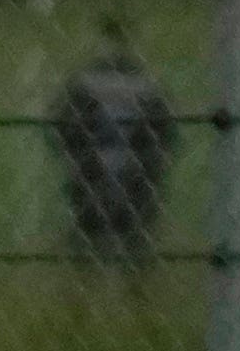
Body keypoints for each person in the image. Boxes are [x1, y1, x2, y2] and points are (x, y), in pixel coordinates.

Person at [48, 29, 176, 260]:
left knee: (125, 230)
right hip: (110, 167)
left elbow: (61, 127)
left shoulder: (87, 84)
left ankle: (116, 260)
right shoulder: (141, 83)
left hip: (119, 168)